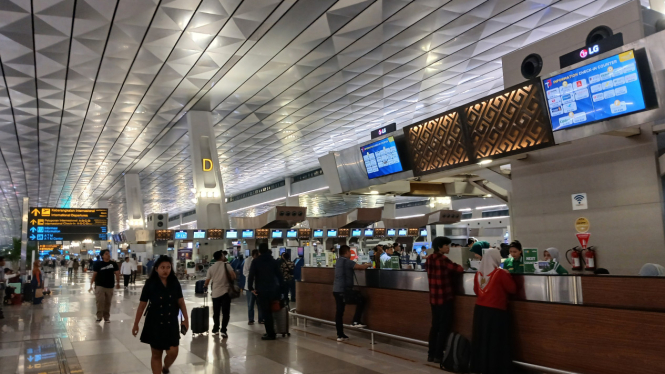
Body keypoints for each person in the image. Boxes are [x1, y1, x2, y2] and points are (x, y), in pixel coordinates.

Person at [132, 256, 188, 374]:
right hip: (154, 322)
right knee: (156, 354)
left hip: (171, 321)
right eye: (162, 267)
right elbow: (142, 305)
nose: (165, 270)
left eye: (168, 267)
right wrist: (136, 324)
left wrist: (186, 320)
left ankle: (166, 367)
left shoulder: (174, 282)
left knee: (173, 352)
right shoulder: (150, 283)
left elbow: (181, 302)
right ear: (156, 269)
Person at [471, 249, 516, 374]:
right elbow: (512, 289)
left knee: (482, 340)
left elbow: (476, 290)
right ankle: (495, 367)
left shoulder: (478, 274)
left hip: (480, 311)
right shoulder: (500, 273)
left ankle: (481, 366)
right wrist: (508, 275)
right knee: (495, 341)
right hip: (496, 311)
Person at [425, 236, 465, 363]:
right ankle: (438, 355)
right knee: (444, 327)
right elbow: (459, 269)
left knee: (435, 326)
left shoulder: (429, 259)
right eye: (446, 245)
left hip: (434, 299)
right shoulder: (443, 259)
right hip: (445, 298)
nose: (448, 248)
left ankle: (430, 354)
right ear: (439, 247)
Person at [333, 245, 372, 342]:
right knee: (361, 299)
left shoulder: (338, 261)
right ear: (346, 252)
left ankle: (340, 335)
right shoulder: (347, 261)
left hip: (336, 290)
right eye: (350, 252)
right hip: (344, 290)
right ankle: (355, 321)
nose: (350, 254)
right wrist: (368, 265)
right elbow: (359, 267)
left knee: (339, 313)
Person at [248, 243, 284, 340]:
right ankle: (274, 330)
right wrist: (281, 289)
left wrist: (251, 288)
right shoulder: (273, 261)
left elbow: (251, 275)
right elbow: (280, 276)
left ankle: (270, 333)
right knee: (273, 310)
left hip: (261, 290)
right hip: (273, 289)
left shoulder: (256, 261)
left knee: (266, 312)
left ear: (259, 251)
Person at [204, 251, 236, 338]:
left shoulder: (211, 267)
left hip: (215, 293)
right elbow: (233, 276)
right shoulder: (227, 265)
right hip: (226, 292)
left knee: (216, 312)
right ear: (221, 256)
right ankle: (223, 330)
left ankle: (215, 329)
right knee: (226, 313)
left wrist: (205, 286)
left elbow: (207, 280)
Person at [89, 249, 120, 323]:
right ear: (102, 256)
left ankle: (106, 317)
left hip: (110, 286)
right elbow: (94, 274)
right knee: (99, 301)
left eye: (109, 253)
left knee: (108, 302)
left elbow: (117, 273)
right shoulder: (98, 264)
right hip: (100, 285)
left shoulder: (113, 264)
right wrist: (91, 284)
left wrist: (118, 283)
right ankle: (99, 316)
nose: (108, 255)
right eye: (106, 254)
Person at [243, 249, 263, 325]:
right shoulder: (248, 260)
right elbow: (245, 272)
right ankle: (251, 319)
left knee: (260, 304)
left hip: (259, 286)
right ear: (254, 255)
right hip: (250, 287)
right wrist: (253, 275)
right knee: (250, 304)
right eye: (256, 255)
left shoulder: (260, 261)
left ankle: (261, 319)